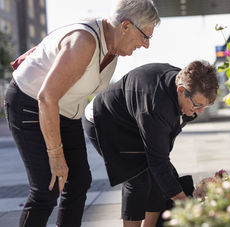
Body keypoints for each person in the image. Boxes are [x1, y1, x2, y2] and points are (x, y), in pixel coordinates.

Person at [4, 0, 160, 227]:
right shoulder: (84, 41)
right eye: (145, 36)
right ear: (126, 26)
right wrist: (56, 155)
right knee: (47, 187)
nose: (146, 45)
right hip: (31, 104)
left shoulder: (113, 46)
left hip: (66, 111)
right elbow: (47, 97)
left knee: (78, 182)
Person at [82, 61, 219, 227]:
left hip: (135, 120)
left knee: (157, 182)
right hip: (105, 120)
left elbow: (160, 159)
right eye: (197, 105)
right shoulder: (155, 106)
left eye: (204, 106)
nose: (200, 111)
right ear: (181, 90)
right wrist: (188, 207)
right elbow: (158, 162)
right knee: (137, 180)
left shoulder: (185, 80)